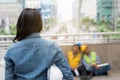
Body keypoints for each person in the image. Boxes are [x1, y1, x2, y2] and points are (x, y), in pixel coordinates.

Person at [4, 8, 73, 80]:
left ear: (20, 25)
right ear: (40, 24)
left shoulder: (11, 51)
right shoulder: (52, 47)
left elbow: (9, 78)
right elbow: (68, 76)